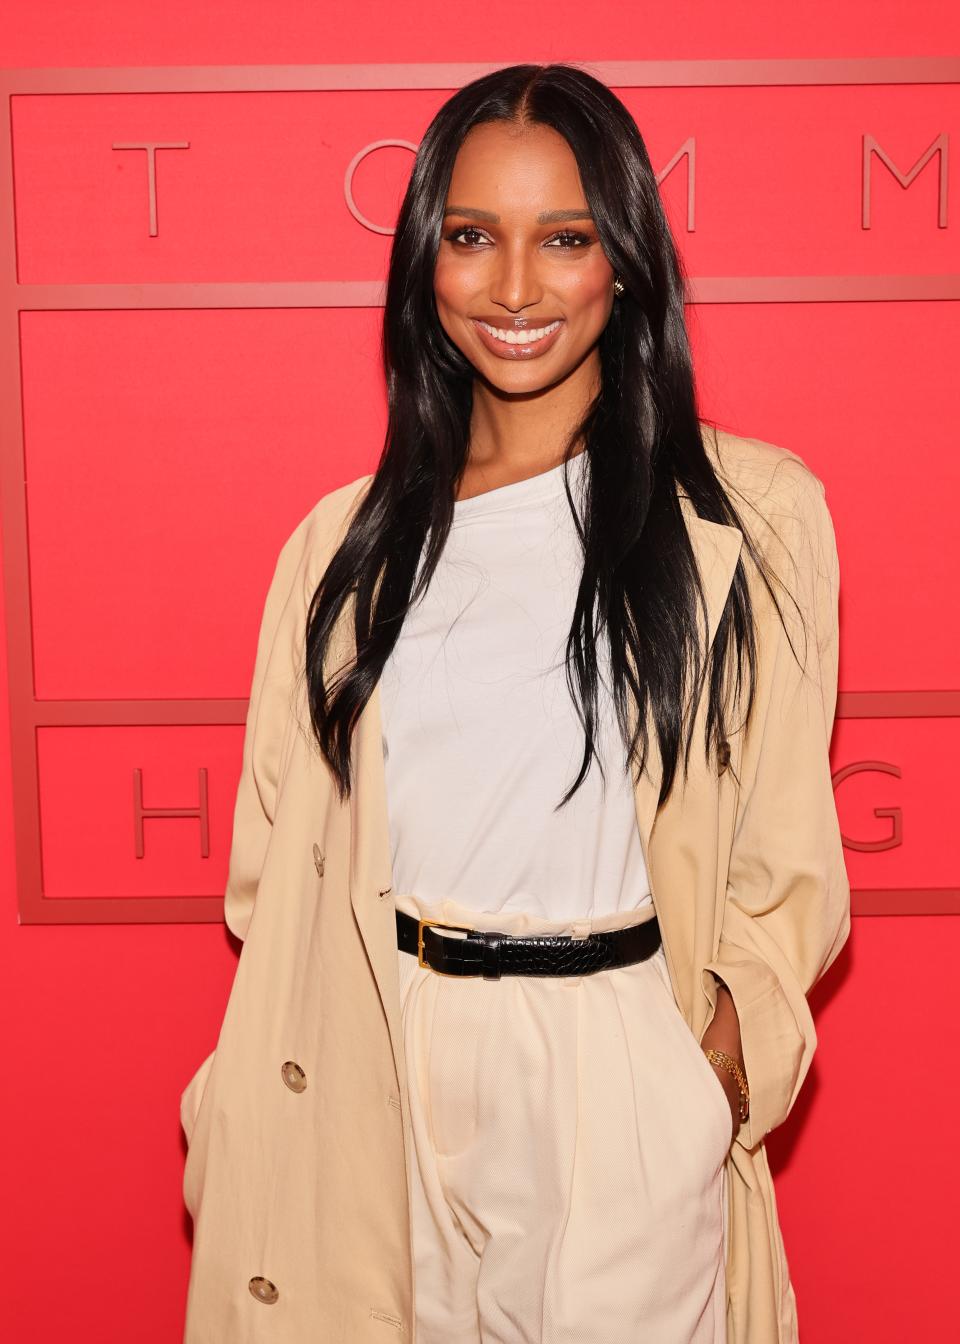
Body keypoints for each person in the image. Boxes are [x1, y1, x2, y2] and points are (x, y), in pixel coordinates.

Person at [180, 63, 850, 1344]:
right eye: (473, 236)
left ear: (625, 261)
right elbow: (272, 875)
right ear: (426, 256)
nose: (517, 288)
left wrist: (705, 1065)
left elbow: (783, 865)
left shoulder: (747, 521)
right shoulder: (341, 549)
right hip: (385, 1053)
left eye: (566, 239)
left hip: (616, 1070)